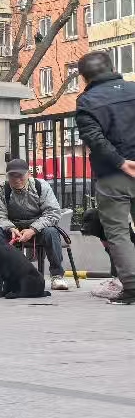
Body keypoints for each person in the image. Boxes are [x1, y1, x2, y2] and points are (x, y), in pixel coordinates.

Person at [75, 50, 135, 305]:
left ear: (84, 77)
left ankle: (132, 287)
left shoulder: (87, 102)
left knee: (118, 233)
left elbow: (95, 139)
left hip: (113, 175)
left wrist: (121, 162)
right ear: (112, 68)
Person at [0, 158, 72, 291]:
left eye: (20, 175)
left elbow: (52, 213)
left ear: (28, 174)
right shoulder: (0, 189)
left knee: (51, 232)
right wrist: (10, 228)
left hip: (38, 226)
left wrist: (33, 229)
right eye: (12, 176)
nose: (17, 180)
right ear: (7, 176)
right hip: (11, 227)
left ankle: (57, 275)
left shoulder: (41, 186)